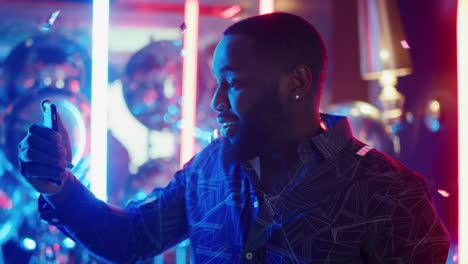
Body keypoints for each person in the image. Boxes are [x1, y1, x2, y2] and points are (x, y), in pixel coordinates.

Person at [17, 12, 450, 263]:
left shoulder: (389, 192)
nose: (216, 102)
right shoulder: (209, 169)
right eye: (215, 83)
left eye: (234, 83)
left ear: (296, 81)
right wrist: (61, 186)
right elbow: (131, 238)